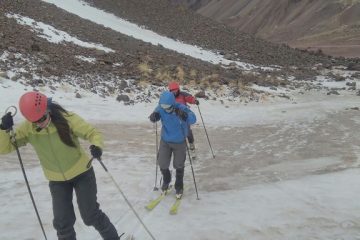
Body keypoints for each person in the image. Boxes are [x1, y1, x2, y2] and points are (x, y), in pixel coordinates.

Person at [0, 91, 120, 240]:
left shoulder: (67, 119)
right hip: (57, 181)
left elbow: (92, 133)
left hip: (82, 174)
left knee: (91, 216)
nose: (40, 123)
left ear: (47, 109)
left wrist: (97, 146)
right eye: (35, 121)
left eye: (42, 118)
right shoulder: (28, 129)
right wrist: (3, 130)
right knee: (62, 224)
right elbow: (4, 148)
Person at [149, 91, 196, 198]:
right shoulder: (161, 108)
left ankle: (179, 185)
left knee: (179, 164)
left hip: (179, 141)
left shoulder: (181, 108)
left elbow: (193, 119)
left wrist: (185, 116)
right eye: (163, 107)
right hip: (165, 140)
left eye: (168, 107)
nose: (165, 109)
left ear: (172, 103)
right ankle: (166, 180)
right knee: (162, 162)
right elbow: (154, 114)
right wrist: (153, 117)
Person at [168, 81, 199, 151]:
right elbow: (164, 103)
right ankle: (181, 146)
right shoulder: (169, 97)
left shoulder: (183, 95)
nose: (174, 92)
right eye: (172, 91)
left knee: (187, 131)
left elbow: (190, 98)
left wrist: (195, 101)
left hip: (184, 116)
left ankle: (191, 143)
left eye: (175, 90)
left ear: (178, 89)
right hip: (174, 117)